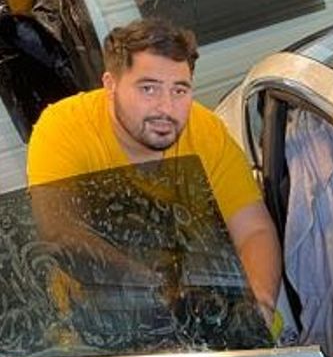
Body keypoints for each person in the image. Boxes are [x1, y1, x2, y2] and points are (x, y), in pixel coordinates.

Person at [26, 17, 281, 328]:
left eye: (179, 90)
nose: (166, 108)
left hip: (197, 316)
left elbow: (254, 229)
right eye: (148, 89)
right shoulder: (63, 128)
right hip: (96, 320)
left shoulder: (207, 132)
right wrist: (165, 296)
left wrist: (259, 306)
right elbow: (60, 232)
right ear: (111, 85)